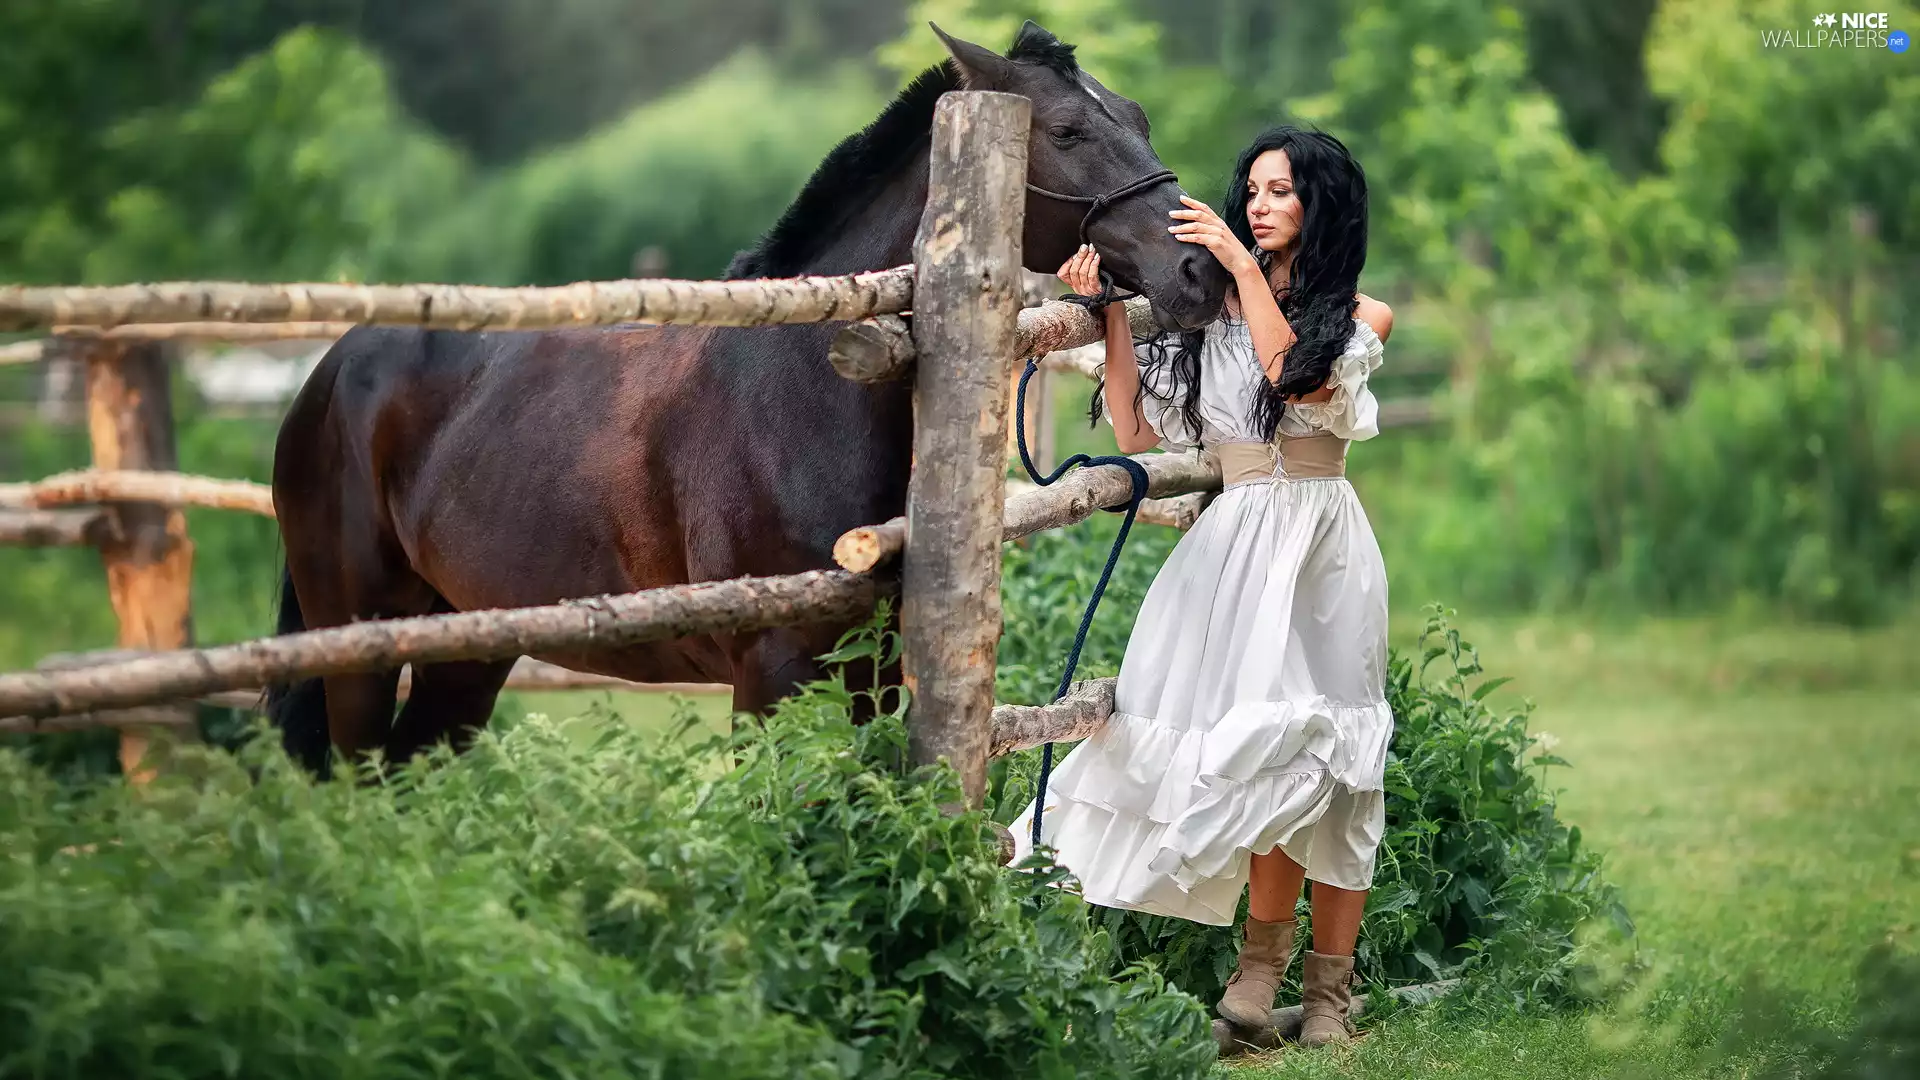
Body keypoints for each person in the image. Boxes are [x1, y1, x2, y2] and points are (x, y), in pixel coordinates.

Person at [1009, 125, 1395, 1047]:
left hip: (1321, 547)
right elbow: (1139, 434)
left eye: (1282, 191)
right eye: (1252, 191)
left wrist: (1242, 271)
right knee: (1255, 753)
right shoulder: (1208, 316)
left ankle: (1329, 997)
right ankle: (1257, 982)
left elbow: (1293, 384)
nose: (1258, 206)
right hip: (1231, 551)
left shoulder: (1360, 319)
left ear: (1323, 207)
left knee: (1341, 767)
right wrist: (1108, 309)